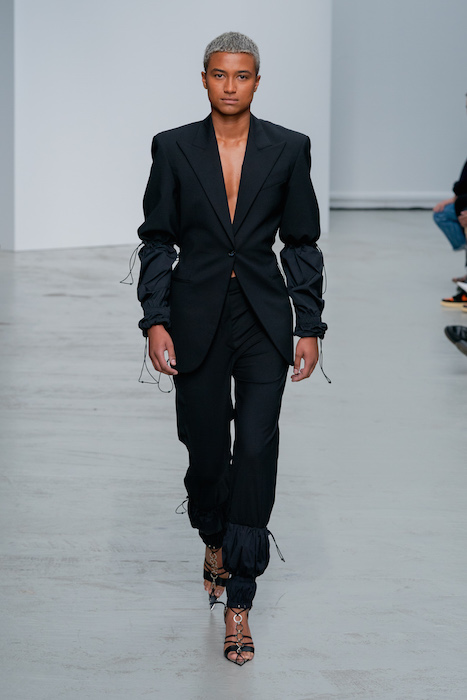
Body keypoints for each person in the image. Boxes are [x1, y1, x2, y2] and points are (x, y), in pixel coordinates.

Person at [136, 32, 327, 665]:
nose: (229, 85)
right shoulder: (173, 147)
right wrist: (155, 319)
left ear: (256, 82)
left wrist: (308, 325)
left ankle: (240, 596)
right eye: (219, 74)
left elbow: (300, 241)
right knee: (206, 451)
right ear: (204, 78)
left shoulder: (289, 148)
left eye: (241, 75)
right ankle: (212, 535)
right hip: (196, 316)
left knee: (256, 450)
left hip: (263, 319)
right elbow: (158, 238)